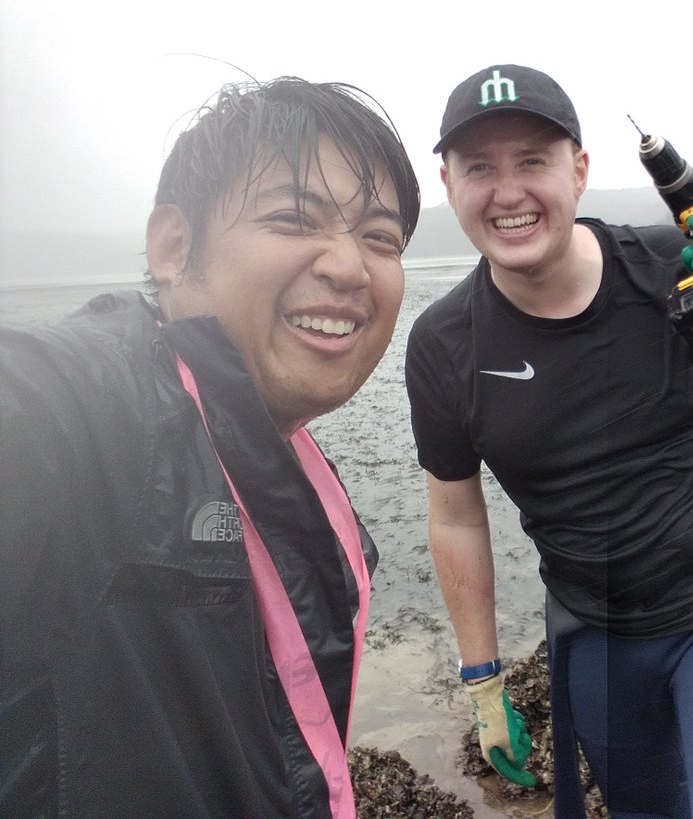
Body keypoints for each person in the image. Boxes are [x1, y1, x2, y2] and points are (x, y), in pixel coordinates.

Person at [405, 64, 693, 818]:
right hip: (596, 629)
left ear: (579, 170)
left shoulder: (671, 268)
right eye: (479, 169)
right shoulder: (444, 343)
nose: (508, 192)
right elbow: (456, 516)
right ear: (449, 185)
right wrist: (484, 683)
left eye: (532, 161)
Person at [0, 76, 420, 817]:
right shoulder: (94, 416)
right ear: (173, 247)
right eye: (294, 218)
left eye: (380, 238)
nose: (350, 266)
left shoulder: (284, 457)